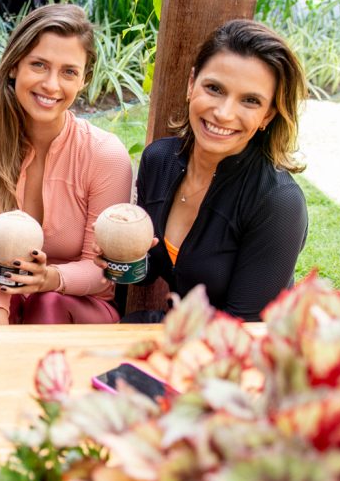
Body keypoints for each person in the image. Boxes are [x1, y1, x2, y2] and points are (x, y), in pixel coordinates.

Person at [120, 19, 309, 323]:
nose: (224, 113)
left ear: (268, 115)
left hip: (238, 354)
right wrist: (120, 260)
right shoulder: (159, 160)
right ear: (191, 84)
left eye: (250, 100)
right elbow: (150, 271)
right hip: (184, 333)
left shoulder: (278, 202)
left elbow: (243, 327)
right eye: (214, 88)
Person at [0, 4, 133, 325]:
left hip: (78, 306)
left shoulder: (105, 154)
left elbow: (103, 271)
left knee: (47, 304)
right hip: (3, 298)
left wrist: (49, 278)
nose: (52, 85)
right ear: (14, 67)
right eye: (39, 65)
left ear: (84, 79)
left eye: (68, 71)